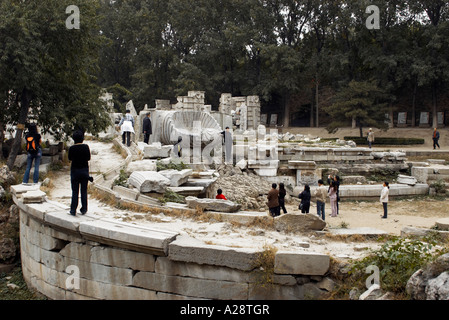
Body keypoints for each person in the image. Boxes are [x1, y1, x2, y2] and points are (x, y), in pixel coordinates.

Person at [68, 130, 91, 216]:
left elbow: (70, 158)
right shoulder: (86, 147)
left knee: (75, 191)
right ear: (82, 138)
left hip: (75, 171)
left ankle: (73, 209)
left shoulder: (72, 148)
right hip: (84, 171)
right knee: (84, 191)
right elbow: (88, 158)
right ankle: (84, 208)